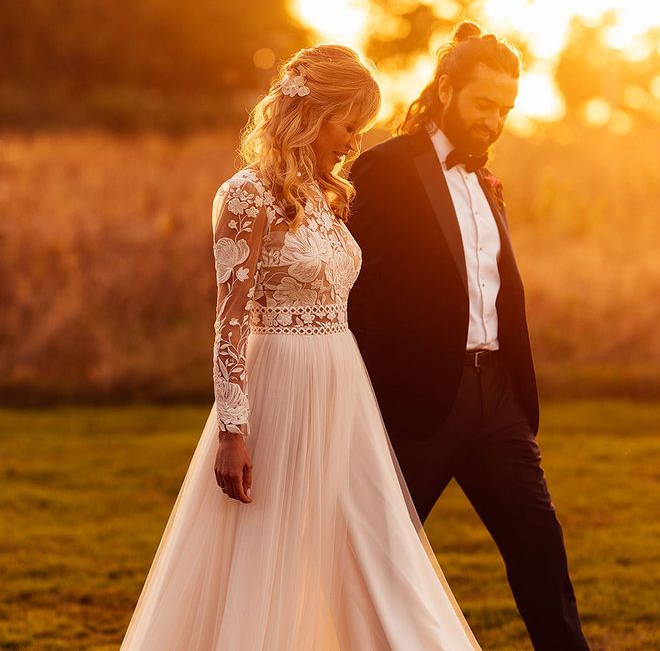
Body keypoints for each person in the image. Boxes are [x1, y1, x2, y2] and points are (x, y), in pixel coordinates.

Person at [120, 44, 480, 650]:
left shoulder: (324, 195)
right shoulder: (246, 196)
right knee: (272, 542)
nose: (352, 143)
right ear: (310, 115)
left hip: (342, 379)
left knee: (364, 538)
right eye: (346, 125)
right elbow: (229, 321)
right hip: (278, 381)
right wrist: (233, 429)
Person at [347, 21, 590, 650]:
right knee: (375, 559)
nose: (495, 120)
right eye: (484, 103)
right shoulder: (383, 169)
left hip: (498, 403)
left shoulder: (486, 179)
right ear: (447, 87)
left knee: (540, 548)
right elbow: (351, 290)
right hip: (418, 404)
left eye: (506, 108)